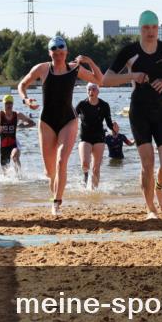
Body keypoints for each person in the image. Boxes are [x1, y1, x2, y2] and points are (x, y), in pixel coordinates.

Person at [103, 10, 162, 219]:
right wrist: (132, 75)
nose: (150, 31)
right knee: (147, 163)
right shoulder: (130, 51)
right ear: (140, 29)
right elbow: (106, 80)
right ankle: (150, 209)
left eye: (154, 27)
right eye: (146, 27)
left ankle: (159, 187)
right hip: (139, 112)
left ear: (159, 28)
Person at [18, 35, 104, 216]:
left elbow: (99, 80)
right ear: (50, 53)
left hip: (68, 120)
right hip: (47, 122)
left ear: (66, 52)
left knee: (61, 161)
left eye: (61, 48)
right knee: (50, 172)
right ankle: (54, 197)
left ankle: (56, 203)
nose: (57, 52)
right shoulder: (42, 69)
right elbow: (22, 85)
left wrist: (89, 61)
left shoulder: (75, 69)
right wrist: (26, 100)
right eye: (54, 49)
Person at [75, 82, 114, 189]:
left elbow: (109, 122)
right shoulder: (82, 104)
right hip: (85, 137)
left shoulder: (104, 105)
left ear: (98, 91)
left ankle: (94, 191)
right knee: (85, 164)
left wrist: (114, 128)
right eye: (89, 89)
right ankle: (85, 179)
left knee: (96, 168)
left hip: (99, 138)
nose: (91, 92)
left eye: (93, 89)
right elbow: (72, 118)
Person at [0, 94, 34, 172]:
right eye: (6, 103)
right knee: (5, 173)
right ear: (4, 104)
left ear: (13, 104)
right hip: (3, 145)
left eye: (10, 103)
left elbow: (32, 123)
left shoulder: (17, 114)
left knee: (15, 156)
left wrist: (21, 126)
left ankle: (19, 177)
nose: (8, 105)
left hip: (14, 143)